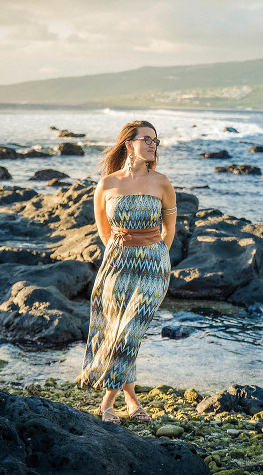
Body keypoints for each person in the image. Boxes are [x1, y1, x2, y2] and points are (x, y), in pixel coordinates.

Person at [77, 120, 177, 424]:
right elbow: (105, 233)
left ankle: (107, 403)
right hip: (116, 265)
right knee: (116, 332)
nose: (152, 145)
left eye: (155, 141)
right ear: (128, 144)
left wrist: (155, 255)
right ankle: (132, 401)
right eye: (146, 139)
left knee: (130, 331)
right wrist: (122, 253)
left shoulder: (162, 182)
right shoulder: (107, 185)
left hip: (153, 264)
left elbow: (169, 230)